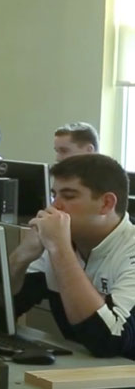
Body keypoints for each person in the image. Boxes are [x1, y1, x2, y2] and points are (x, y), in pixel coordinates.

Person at [9, 154, 135, 359]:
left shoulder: (129, 250)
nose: (54, 206)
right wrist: (20, 258)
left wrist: (61, 249)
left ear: (106, 203)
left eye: (68, 196)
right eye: (54, 195)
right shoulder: (58, 243)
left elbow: (110, 341)